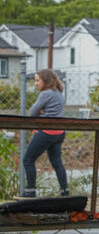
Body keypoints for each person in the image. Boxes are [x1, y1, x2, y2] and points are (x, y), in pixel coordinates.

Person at [20, 68, 69, 198]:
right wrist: (42, 112)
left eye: (37, 80)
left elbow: (32, 112)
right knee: (57, 162)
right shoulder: (58, 93)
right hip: (59, 132)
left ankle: (30, 190)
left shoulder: (45, 94)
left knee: (28, 160)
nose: (35, 83)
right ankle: (64, 190)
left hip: (46, 132)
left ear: (45, 81)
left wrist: (41, 112)